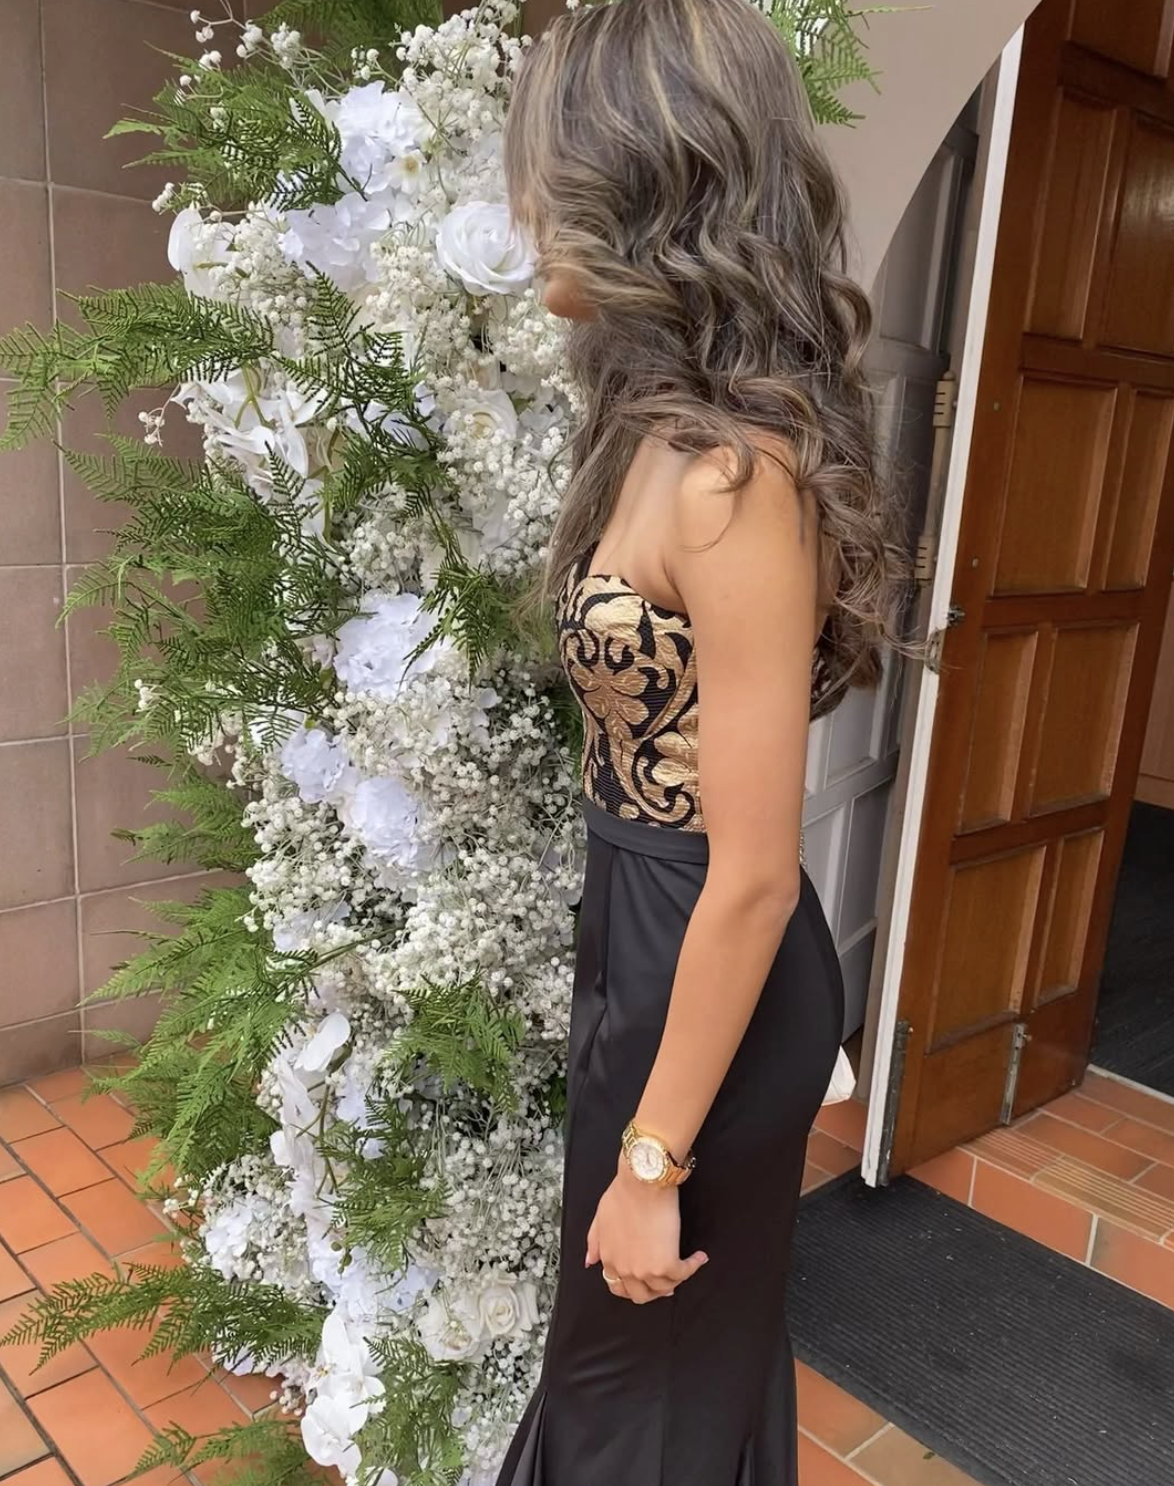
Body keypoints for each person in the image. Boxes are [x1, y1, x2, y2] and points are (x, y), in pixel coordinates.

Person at [496, 1, 906, 1480]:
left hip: (705, 945)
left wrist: (654, 1160)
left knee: (643, 1377)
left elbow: (751, 872)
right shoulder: (654, 431)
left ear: (638, 177)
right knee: (634, 1364)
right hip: (645, 927)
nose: (522, 207)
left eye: (546, 168)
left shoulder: (736, 471)